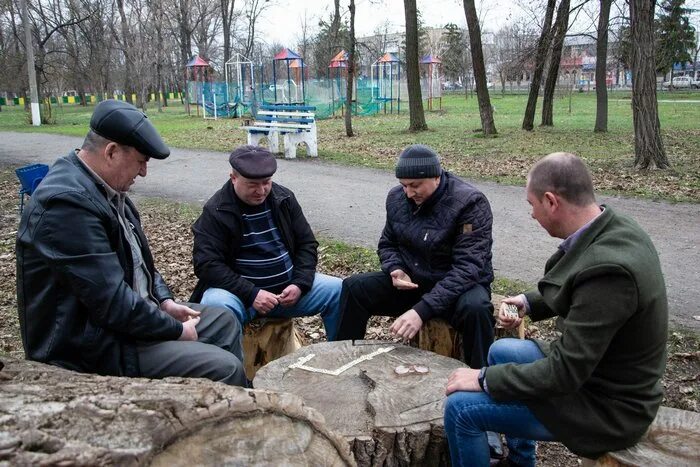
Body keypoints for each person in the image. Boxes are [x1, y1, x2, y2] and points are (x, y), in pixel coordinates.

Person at [443, 153, 668, 467]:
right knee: (503, 350)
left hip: (609, 409)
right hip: (600, 374)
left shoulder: (610, 271)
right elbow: (583, 286)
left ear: (551, 201)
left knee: (460, 410)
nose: (532, 215)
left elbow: (564, 373)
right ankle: (522, 462)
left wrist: (483, 379)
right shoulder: (613, 226)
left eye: (532, 204)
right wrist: (529, 301)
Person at [16, 99, 246, 386]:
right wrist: (174, 330)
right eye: (140, 161)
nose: (144, 172)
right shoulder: (66, 204)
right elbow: (111, 303)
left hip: (125, 323)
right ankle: (229, 418)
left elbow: (139, 262)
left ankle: (232, 405)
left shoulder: (105, 189)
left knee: (224, 321)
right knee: (225, 367)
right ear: (111, 152)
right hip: (92, 345)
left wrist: (163, 300)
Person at [336, 144, 495, 367]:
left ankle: (481, 377)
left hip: (458, 288)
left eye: (415, 186)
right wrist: (396, 269)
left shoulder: (470, 203)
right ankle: (341, 361)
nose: (409, 193)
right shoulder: (397, 198)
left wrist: (421, 311)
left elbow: (468, 268)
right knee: (355, 288)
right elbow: (387, 243)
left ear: (436, 177)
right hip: (414, 283)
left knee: (477, 309)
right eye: (404, 186)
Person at [189, 145, 342, 340]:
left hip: (286, 293)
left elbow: (307, 243)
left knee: (340, 290)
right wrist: (252, 294)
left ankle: (339, 358)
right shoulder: (217, 210)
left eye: (266, 182)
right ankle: (233, 369)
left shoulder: (283, 198)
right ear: (233, 177)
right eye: (252, 184)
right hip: (241, 297)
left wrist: (299, 283)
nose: (261, 191)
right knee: (216, 304)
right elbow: (206, 264)